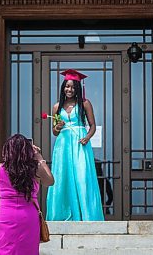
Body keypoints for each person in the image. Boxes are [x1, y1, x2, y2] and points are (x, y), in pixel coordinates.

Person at [46, 69, 104, 221]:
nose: (69, 89)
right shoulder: (56, 107)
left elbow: (92, 125)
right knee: (62, 178)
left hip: (80, 144)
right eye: (66, 86)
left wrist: (87, 138)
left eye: (72, 87)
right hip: (62, 146)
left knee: (82, 177)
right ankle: (61, 215)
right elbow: (55, 132)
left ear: (77, 88)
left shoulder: (85, 104)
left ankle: (86, 215)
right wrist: (58, 126)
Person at [0, 134, 54, 255]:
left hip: (6, 214)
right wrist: (39, 157)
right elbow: (50, 181)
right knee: (28, 250)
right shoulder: (35, 169)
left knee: (4, 248)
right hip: (28, 215)